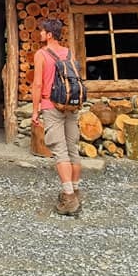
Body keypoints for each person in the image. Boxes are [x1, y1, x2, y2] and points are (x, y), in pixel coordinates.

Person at [31, 18, 82, 216]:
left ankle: (68, 197)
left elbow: (36, 85)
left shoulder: (41, 54)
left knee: (60, 151)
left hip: (51, 105)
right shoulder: (68, 52)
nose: (40, 34)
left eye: (42, 31)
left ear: (49, 34)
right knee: (72, 149)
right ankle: (76, 191)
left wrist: (35, 111)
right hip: (70, 105)